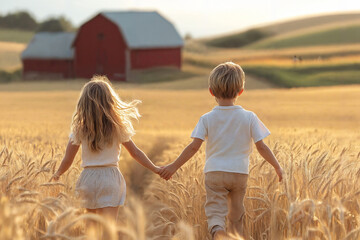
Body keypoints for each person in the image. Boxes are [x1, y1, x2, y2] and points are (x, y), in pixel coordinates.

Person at [159, 62, 284, 239]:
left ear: (211, 91)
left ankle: (218, 232)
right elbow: (261, 146)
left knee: (215, 212)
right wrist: (277, 166)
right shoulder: (249, 117)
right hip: (240, 172)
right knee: (236, 215)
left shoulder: (207, 118)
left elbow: (194, 147)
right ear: (241, 91)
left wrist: (173, 166)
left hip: (215, 172)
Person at [51, 76, 160, 222]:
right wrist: (155, 168)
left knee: (91, 230)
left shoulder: (79, 130)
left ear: (84, 104)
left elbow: (68, 159)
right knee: (109, 229)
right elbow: (135, 153)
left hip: (88, 179)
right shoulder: (118, 128)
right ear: (110, 102)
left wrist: (57, 173)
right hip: (110, 178)